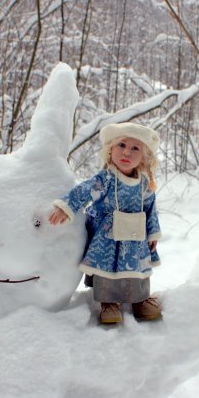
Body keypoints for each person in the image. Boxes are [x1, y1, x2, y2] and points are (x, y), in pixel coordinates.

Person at [49, 123, 163, 325]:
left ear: (144, 156)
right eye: (121, 145)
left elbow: (150, 209)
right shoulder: (106, 178)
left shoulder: (145, 184)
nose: (127, 151)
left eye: (135, 148)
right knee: (108, 267)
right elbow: (84, 191)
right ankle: (109, 302)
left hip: (136, 236)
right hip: (108, 236)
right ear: (111, 150)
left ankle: (140, 300)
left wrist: (152, 234)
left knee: (137, 267)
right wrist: (66, 207)